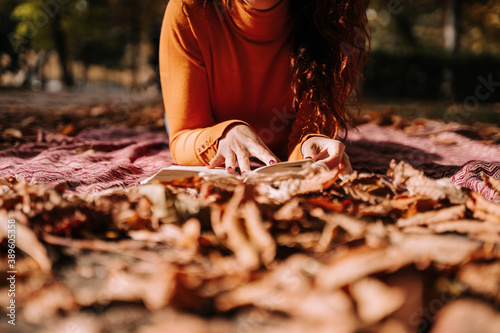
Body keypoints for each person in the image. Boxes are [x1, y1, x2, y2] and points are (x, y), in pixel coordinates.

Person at [159, 0, 369, 174]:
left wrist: (312, 149)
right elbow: (184, 136)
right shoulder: (189, 10)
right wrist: (223, 135)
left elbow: (303, 140)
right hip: (205, 128)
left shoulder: (335, 20)